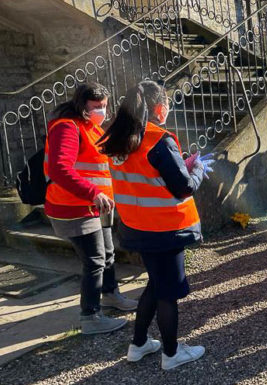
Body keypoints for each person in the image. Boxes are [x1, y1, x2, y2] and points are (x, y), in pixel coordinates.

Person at [98, 80, 210, 370]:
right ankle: (172, 354)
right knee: (168, 292)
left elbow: (144, 176)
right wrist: (196, 169)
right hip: (166, 228)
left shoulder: (117, 137)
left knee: (155, 284)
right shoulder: (158, 139)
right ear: (160, 108)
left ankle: (138, 344)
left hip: (136, 226)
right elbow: (183, 187)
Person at [44, 82, 137, 335]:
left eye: (105, 106)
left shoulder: (91, 128)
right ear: (81, 105)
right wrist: (92, 193)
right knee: (94, 260)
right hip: (75, 206)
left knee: (107, 253)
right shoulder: (67, 127)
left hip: (98, 206)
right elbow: (59, 169)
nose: (102, 111)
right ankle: (90, 316)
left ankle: (110, 294)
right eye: (96, 106)